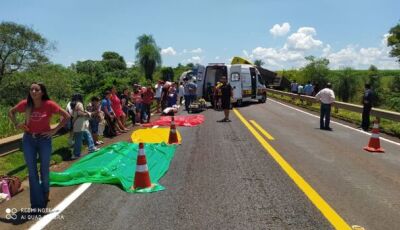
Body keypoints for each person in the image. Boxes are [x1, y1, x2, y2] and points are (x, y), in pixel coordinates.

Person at [8, 83, 70, 210]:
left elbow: (67, 116)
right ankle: (37, 203)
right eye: (31, 89)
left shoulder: (49, 104)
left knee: (44, 169)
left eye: (37, 89)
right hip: (29, 139)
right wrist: (17, 124)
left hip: (44, 140)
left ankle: (45, 192)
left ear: (42, 92)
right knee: (32, 171)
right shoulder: (25, 104)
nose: (34, 91)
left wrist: (54, 131)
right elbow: (11, 112)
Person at [70, 94, 100, 159]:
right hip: (80, 124)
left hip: (78, 123)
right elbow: (80, 113)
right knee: (78, 139)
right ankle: (76, 154)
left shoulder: (73, 104)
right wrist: (88, 114)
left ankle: (91, 147)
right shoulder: (79, 104)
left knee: (87, 134)